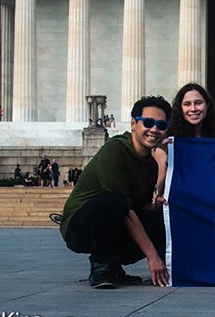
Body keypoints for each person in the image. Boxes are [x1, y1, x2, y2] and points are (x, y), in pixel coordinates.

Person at [60, 95, 171, 289]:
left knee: (161, 219)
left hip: (114, 217)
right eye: (149, 122)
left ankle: (114, 266)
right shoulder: (115, 150)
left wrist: (156, 206)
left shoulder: (151, 165)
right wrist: (152, 256)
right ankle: (101, 266)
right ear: (134, 124)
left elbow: (137, 206)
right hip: (78, 226)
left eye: (161, 125)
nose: (155, 129)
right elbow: (124, 208)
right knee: (114, 201)